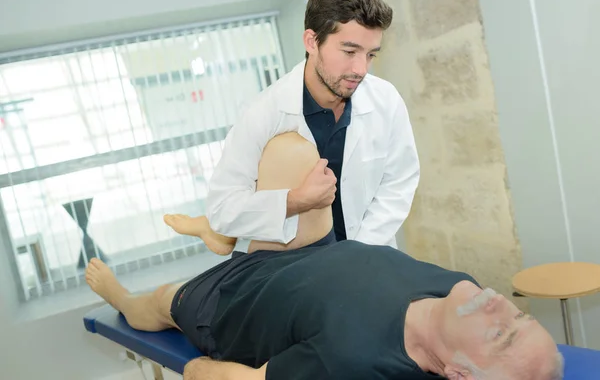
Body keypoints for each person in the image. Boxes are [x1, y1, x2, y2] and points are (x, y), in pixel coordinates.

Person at [88, 133, 563, 380]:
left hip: (232, 302)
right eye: (522, 317)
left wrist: (202, 368)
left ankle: (122, 295)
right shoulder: (462, 289)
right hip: (310, 255)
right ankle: (222, 232)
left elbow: (202, 373)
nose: (501, 303)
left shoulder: (353, 366)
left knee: (159, 303)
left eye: (501, 334)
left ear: (457, 372)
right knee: (293, 153)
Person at [165, 0, 420, 250]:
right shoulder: (264, 113)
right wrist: (296, 200)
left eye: (370, 55)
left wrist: (360, 252)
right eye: (349, 51)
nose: (360, 69)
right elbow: (222, 210)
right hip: (294, 263)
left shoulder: (386, 100)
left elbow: (399, 182)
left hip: (369, 252)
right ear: (312, 41)